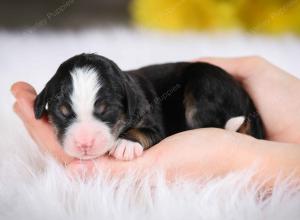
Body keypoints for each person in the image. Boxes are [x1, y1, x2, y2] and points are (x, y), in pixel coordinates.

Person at [11, 56, 300, 185]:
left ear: (126, 102)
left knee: (204, 86)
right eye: (64, 115)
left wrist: (134, 137)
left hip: (200, 83)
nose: (84, 139)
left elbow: (152, 131)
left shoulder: (138, 102)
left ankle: (236, 128)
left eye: (104, 111)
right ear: (45, 103)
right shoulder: (123, 94)